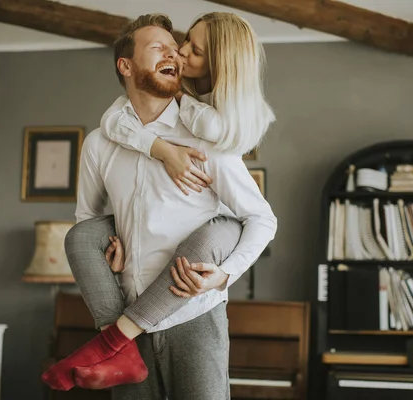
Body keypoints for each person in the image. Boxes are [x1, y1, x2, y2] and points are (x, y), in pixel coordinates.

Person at [42, 13, 276, 399]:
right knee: (79, 234)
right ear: (126, 66)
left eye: (177, 47)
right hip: (127, 309)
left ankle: (108, 346)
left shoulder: (205, 138)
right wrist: (110, 258)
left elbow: (261, 218)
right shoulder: (101, 142)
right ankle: (115, 345)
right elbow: (90, 220)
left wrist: (226, 275)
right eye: (159, 47)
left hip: (195, 316)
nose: (175, 54)